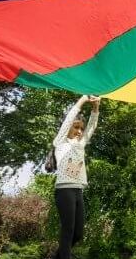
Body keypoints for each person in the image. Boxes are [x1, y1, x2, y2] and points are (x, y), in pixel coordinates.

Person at [52, 95, 100, 259]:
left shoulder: (81, 145)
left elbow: (92, 127)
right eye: (76, 127)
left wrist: (95, 108)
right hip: (64, 191)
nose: (79, 131)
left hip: (78, 191)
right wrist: (82, 100)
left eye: (81, 128)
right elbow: (69, 119)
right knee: (68, 230)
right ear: (69, 129)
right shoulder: (60, 143)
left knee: (78, 233)